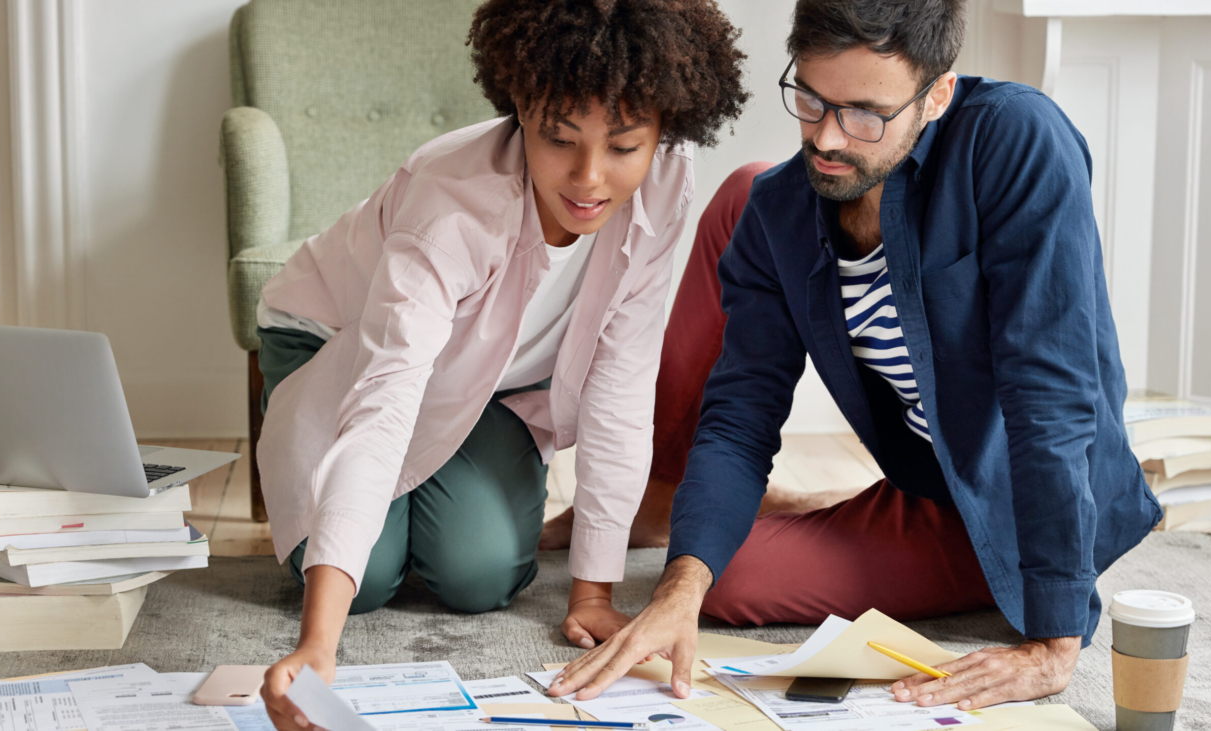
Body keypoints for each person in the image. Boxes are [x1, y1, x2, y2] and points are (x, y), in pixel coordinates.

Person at [549, 0, 1162, 711]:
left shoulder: (1017, 140)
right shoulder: (780, 211)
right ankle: (708, 512)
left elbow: (1049, 396)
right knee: (727, 580)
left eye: (865, 113)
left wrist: (1055, 643)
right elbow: (739, 415)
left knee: (729, 568)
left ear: (936, 94)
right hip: (928, 490)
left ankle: (830, 517)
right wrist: (680, 584)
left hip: (1022, 501)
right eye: (812, 99)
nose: (828, 138)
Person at [251, 1, 748, 728]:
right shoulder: (451, 204)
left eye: (623, 146)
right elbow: (386, 401)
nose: (589, 178)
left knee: (479, 571)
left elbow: (621, 377)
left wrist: (592, 593)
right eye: (560, 138)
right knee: (365, 578)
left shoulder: (669, 176)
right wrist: (319, 643)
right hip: (336, 340)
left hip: (488, 379)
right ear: (521, 104)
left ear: (662, 132)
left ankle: (440, 481)